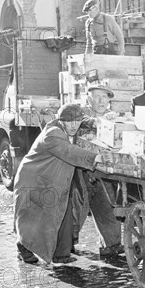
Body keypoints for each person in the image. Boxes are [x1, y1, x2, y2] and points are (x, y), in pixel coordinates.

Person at [13, 104, 112, 264]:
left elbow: (85, 124)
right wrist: (95, 158)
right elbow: (68, 151)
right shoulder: (53, 134)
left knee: (62, 214)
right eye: (69, 122)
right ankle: (23, 247)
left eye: (77, 121)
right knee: (34, 219)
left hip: (51, 180)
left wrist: (98, 122)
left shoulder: (65, 128)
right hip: (34, 181)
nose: (74, 126)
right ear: (61, 121)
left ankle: (61, 254)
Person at [72, 84, 124, 256]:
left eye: (105, 97)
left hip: (103, 172)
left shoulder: (113, 117)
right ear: (89, 99)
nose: (102, 101)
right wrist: (99, 122)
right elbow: (80, 125)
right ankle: (64, 245)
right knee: (77, 209)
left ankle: (111, 245)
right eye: (97, 96)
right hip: (81, 171)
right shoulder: (80, 114)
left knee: (107, 206)